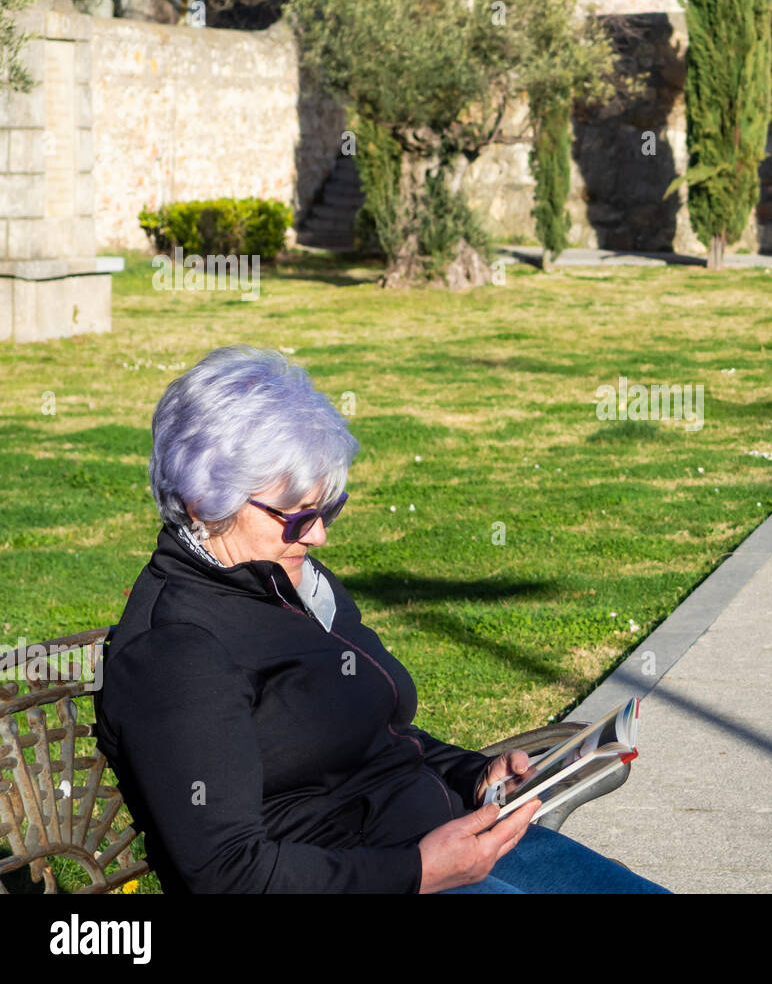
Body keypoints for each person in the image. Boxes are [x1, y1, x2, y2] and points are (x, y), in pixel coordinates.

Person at [93, 345, 668, 894]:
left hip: (447, 844)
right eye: (296, 518)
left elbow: (379, 736)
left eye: (327, 510)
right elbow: (229, 874)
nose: (317, 535)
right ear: (202, 502)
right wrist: (417, 872)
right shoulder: (180, 650)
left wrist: (477, 774)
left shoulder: (290, 581)